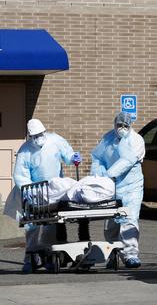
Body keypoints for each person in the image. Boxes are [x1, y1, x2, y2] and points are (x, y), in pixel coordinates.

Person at [13, 118, 82, 273]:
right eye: (35, 136)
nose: (39, 138)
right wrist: (30, 191)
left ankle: (49, 257)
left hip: (53, 190)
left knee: (51, 226)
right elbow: (20, 175)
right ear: (30, 136)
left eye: (40, 134)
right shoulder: (25, 151)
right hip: (35, 192)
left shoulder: (55, 140)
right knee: (32, 228)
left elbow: (67, 154)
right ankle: (31, 258)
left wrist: (73, 157)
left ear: (44, 131)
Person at [90, 112, 145, 268]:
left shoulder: (136, 140)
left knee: (130, 220)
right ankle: (112, 253)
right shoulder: (108, 139)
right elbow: (97, 157)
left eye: (125, 126)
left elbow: (127, 161)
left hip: (131, 187)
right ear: (114, 125)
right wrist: (98, 174)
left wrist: (108, 175)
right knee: (111, 224)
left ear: (130, 126)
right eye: (119, 125)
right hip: (111, 187)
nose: (122, 128)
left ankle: (131, 255)